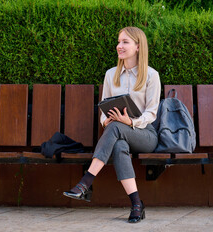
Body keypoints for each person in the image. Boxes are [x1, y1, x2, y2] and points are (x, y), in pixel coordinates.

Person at [63, 26, 161, 223]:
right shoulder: (111, 74)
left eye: (125, 42)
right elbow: (103, 107)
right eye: (119, 41)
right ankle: (136, 205)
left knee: (115, 128)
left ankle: (86, 182)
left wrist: (130, 121)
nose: (119, 46)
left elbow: (151, 113)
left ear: (138, 46)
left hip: (145, 134)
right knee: (118, 144)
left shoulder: (151, 75)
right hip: (118, 133)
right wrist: (105, 120)